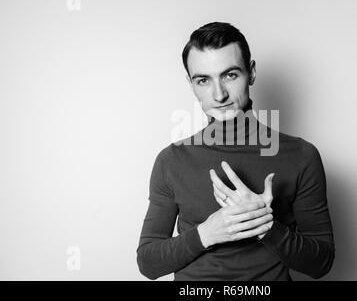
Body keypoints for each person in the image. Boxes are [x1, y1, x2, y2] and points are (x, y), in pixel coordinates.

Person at [136, 22, 335, 280]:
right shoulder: (171, 160)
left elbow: (321, 263)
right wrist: (207, 233)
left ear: (251, 72)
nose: (218, 95)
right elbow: (149, 264)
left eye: (230, 75)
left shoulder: (301, 156)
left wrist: (264, 225)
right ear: (190, 84)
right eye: (203, 80)